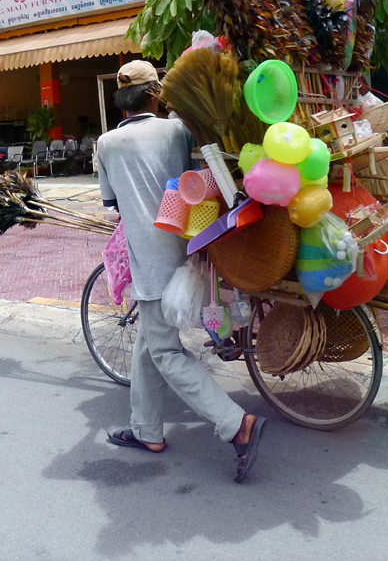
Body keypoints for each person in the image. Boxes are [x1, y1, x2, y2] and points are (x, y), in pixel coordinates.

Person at [97, 59, 266, 482]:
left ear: (121, 101)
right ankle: (147, 430)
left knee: (166, 352)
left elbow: (114, 205)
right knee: (150, 345)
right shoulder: (177, 129)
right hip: (196, 251)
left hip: (153, 265)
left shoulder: (106, 144)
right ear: (156, 94)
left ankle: (234, 424)